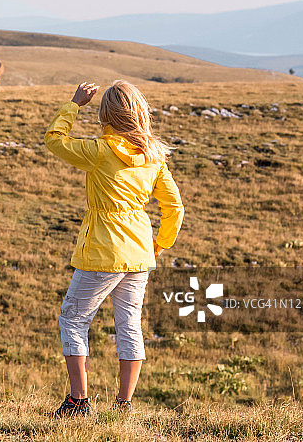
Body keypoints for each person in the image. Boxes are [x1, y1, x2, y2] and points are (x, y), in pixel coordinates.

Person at [44, 80, 184, 417]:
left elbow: (54, 141)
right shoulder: (154, 157)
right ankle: (123, 405)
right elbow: (174, 207)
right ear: (139, 113)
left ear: (107, 114)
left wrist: (74, 104)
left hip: (101, 252)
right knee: (129, 325)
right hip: (139, 254)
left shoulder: (99, 151)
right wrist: (159, 244)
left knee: (73, 318)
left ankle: (79, 402)